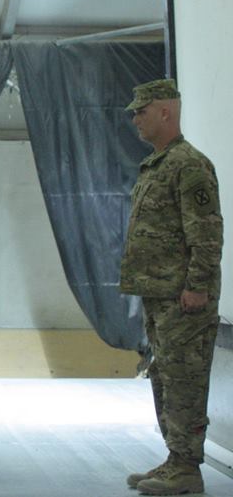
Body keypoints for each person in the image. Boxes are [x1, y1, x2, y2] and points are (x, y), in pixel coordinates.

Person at [120, 79, 223, 496]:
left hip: (184, 298)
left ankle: (186, 468)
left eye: (141, 111)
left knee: (184, 381)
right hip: (161, 295)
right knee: (165, 376)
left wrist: (198, 285)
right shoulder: (157, 164)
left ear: (165, 112)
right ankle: (175, 459)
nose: (135, 118)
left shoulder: (189, 165)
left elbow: (206, 233)